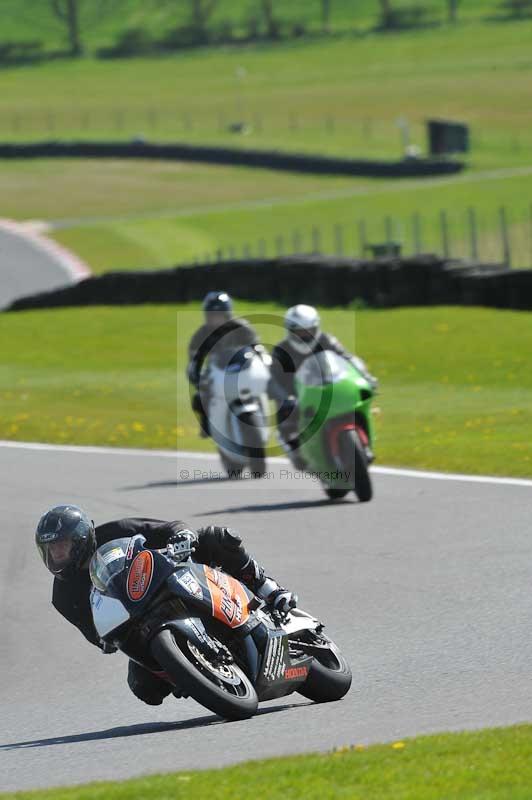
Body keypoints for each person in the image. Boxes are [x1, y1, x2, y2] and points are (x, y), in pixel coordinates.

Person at [36, 505, 297, 706]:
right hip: (139, 621)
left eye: (61, 546)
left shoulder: (115, 530)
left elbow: (168, 528)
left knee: (215, 537)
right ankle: (194, 671)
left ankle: (270, 590)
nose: (56, 555)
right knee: (144, 688)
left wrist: (181, 537)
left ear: (81, 539)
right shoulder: (63, 596)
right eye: (50, 549)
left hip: (172, 576)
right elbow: (95, 634)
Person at [269, 304, 378, 468]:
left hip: (328, 387)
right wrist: (284, 398)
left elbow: (348, 359)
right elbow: (273, 379)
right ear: (289, 331)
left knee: (357, 404)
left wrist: (366, 377)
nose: (304, 336)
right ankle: (295, 450)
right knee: (288, 424)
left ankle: (364, 444)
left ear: (316, 327)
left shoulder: (327, 340)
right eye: (298, 333)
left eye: (308, 331)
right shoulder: (281, 350)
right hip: (296, 396)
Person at [187, 291, 260, 437]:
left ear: (227, 314)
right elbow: (194, 360)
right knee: (199, 398)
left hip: (242, 368)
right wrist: (197, 377)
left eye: (219, 315)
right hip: (216, 370)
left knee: (270, 386)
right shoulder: (201, 334)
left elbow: (257, 348)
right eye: (212, 316)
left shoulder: (242, 328)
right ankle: (206, 423)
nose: (216, 319)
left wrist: (261, 361)